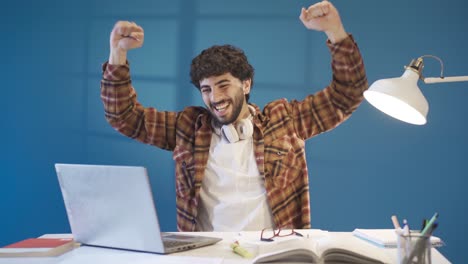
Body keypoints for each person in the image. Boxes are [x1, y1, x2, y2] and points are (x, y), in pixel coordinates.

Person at [101, 1, 367, 232]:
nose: (215, 97)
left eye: (223, 84)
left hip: (276, 254)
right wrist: (117, 53)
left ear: (246, 84)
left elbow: (348, 93)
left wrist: (335, 31)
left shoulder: (285, 121)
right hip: (207, 255)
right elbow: (123, 116)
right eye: (206, 89)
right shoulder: (188, 129)